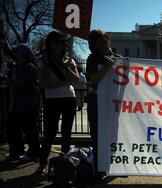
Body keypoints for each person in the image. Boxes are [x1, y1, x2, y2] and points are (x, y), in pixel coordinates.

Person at [36, 31, 80, 174]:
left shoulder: (68, 60)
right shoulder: (43, 61)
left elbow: (77, 80)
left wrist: (66, 67)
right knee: (50, 132)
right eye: (55, 42)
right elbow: (43, 83)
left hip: (69, 98)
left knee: (66, 132)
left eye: (61, 42)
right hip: (52, 99)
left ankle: (65, 164)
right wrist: (64, 82)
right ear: (49, 44)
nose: (58, 45)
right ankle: (42, 164)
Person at [85, 29, 118, 172]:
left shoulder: (117, 58)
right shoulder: (92, 59)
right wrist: (107, 66)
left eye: (105, 42)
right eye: (100, 44)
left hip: (113, 102)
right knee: (98, 134)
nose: (104, 46)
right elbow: (94, 79)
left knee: (114, 132)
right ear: (94, 46)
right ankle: (100, 166)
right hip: (96, 102)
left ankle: (116, 164)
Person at [5, 44, 41, 161]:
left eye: (18, 53)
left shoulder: (29, 67)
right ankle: (17, 151)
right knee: (12, 127)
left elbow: (25, 83)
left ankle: (33, 153)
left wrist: (10, 81)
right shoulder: (17, 67)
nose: (16, 55)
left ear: (24, 54)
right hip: (19, 103)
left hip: (28, 103)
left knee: (29, 129)